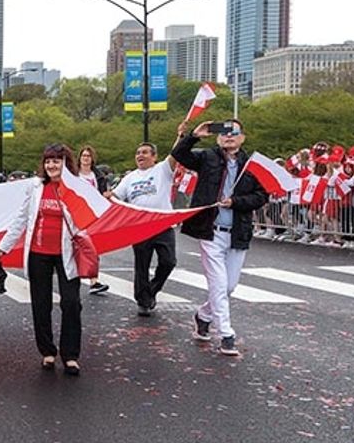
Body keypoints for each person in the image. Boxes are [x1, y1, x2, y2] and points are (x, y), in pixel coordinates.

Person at [173, 118, 268, 357]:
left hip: (238, 232)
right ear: (217, 137)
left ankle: (203, 315)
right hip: (210, 230)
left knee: (229, 286)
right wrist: (194, 135)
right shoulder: (207, 158)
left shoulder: (252, 165)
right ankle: (226, 334)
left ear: (242, 137)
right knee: (218, 283)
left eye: (233, 132)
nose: (228, 136)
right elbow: (180, 154)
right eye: (224, 132)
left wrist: (236, 202)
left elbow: (261, 196)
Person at [0, 143, 85, 376]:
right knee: (41, 304)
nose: (51, 165)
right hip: (39, 253)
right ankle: (47, 351)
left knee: (71, 303)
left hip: (67, 254)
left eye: (56, 160)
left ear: (66, 163)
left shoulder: (77, 188)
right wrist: (4, 246)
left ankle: (71, 355)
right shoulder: (35, 188)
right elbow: (22, 219)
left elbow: (88, 219)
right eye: (48, 161)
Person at [111, 142, 178, 316]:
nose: (140, 156)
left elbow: (176, 153)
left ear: (154, 156)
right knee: (142, 265)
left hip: (163, 224)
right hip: (140, 226)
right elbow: (115, 196)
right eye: (138, 153)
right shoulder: (130, 177)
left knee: (169, 261)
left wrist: (182, 136)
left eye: (145, 152)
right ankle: (143, 301)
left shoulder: (163, 169)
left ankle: (151, 290)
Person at [76, 145, 109, 295]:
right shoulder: (73, 175)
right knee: (74, 247)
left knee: (92, 248)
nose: (86, 158)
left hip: (93, 215)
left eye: (88, 156)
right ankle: (72, 276)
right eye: (83, 156)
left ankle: (94, 280)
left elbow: (103, 193)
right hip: (76, 214)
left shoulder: (98, 176)